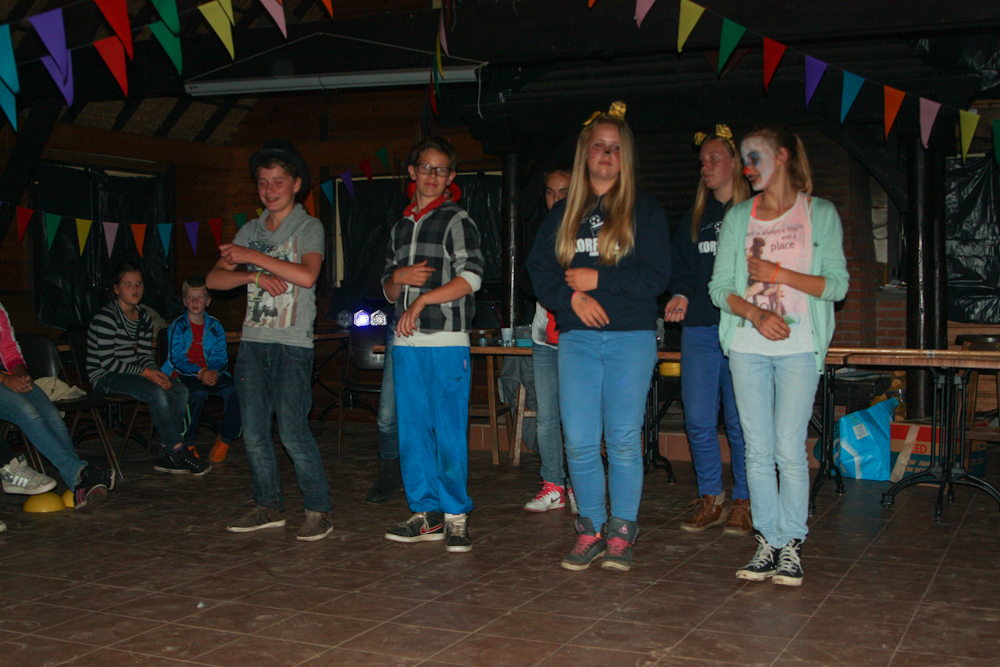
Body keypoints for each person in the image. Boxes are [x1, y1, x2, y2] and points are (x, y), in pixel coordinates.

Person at [527, 102, 672, 572]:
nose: (606, 154)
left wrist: (598, 280)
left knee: (624, 439)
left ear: (624, 156)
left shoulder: (644, 210)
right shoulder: (564, 214)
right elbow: (538, 270)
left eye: (615, 148)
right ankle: (589, 529)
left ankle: (622, 533)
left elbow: (657, 275)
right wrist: (571, 300)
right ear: (584, 154)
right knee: (580, 441)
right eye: (598, 146)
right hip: (578, 341)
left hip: (630, 338)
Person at [709, 126, 849, 587]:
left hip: (799, 346)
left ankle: (791, 543)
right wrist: (754, 313)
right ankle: (767, 540)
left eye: (755, 158)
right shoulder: (738, 217)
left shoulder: (819, 213)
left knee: (789, 448)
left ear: (783, 156)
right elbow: (720, 288)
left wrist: (778, 273)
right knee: (756, 449)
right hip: (748, 346)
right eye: (744, 160)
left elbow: (837, 285)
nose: (747, 168)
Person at [208, 139, 334, 542]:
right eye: (263, 182)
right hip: (253, 342)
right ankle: (268, 505)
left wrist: (253, 257)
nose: (269, 189)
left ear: (296, 184)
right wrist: (252, 276)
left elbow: (307, 276)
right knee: (254, 432)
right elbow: (213, 279)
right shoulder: (250, 229)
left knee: (293, 431)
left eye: (278, 181)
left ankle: (318, 510)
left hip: (292, 344)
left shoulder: (309, 226)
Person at [381, 136, 484, 553]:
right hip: (406, 344)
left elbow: (472, 277)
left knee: (448, 432)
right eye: (425, 167)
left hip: (446, 341)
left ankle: (456, 515)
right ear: (412, 171)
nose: (431, 175)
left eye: (440, 170)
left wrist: (423, 299)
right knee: (412, 432)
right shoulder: (400, 227)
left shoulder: (457, 220)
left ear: (450, 177)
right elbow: (388, 290)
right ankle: (427, 514)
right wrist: (398, 279)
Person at [664, 125, 752, 535]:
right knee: (698, 419)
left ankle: (745, 500)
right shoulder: (695, 219)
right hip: (699, 329)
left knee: (739, 422)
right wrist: (681, 294)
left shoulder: (754, 214)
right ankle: (712, 496)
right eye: (702, 161)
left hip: (742, 329)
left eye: (714, 158)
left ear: (737, 163)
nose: (706, 167)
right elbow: (682, 269)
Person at [87, 263, 207, 477]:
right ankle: (177, 449)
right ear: (116, 289)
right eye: (128, 284)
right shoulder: (106, 317)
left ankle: (166, 452)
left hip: (132, 373)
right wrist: (147, 375)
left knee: (179, 389)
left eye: (139, 284)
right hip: (106, 377)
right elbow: (108, 363)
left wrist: (156, 373)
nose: (135, 289)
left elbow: (144, 354)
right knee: (156, 392)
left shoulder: (143, 316)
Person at [0, 303, 115, 513]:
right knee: (28, 412)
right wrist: (5, 380)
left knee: (52, 415)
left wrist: (21, 374)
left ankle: (78, 483)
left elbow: (10, 350)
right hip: (2, 381)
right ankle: (80, 473)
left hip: (7, 378)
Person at [522, 168, 578, 513]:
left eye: (564, 192)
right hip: (544, 336)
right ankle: (553, 483)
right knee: (546, 416)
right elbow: (528, 280)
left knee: (578, 417)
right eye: (550, 192)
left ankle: (579, 485)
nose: (556, 199)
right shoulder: (540, 231)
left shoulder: (588, 228)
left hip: (578, 336)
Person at [161, 276, 242, 464]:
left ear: (208, 301)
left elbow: (220, 355)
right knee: (196, 393)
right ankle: (188, 442)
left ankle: (225, 438)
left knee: (235, 389)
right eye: (190, 297)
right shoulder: (178, 326)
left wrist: (213, 371)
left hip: (210, 372)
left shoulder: (215, 326)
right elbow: (176, 358)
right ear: (184, 301)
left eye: (200, 297)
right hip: (184, 373)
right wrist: (199, 372)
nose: (195, 302)